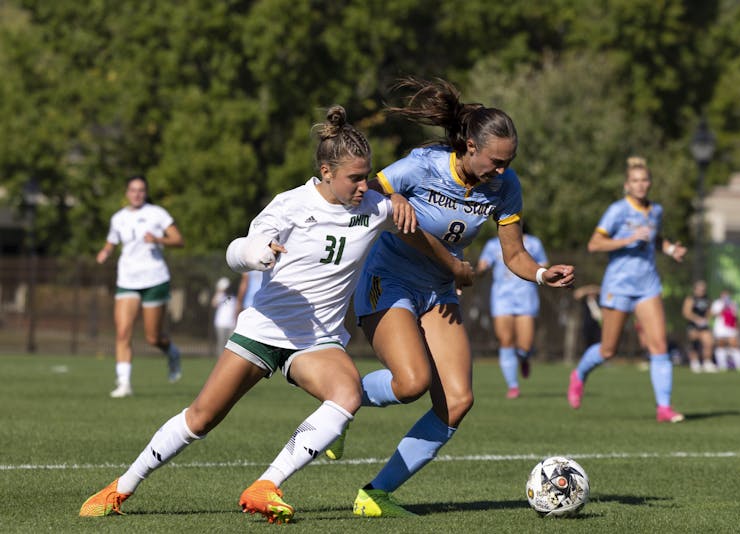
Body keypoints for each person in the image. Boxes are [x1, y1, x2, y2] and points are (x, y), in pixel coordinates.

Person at [79, 106, 461, 523]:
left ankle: (266, 485)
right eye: (354, 177)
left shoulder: (375, 206)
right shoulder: (290, 205)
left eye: (367, 175)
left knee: (347, 394)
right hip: (264, 331)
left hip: (316, 342)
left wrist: (452, 266)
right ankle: (122, 486)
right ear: (326, 171)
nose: (363, 185)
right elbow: (236, 249)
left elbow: (414, 230)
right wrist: (254, 253)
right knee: (201, 418)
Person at [326, 77, 574, 518]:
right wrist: (450, 261)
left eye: (509, 162)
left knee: (457, 401)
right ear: (468, 146)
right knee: (411, 383)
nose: (502, 171)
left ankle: (375, 494)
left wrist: (539, 273)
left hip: (439, 292)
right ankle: (342, 397)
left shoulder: (505, 185)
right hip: (389, 280)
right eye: (496, 161)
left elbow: (513, 253)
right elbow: (368, 198)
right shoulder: (422, 165)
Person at [566, 156, 687, 423]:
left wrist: (670, 249)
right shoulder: (618, 210)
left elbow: (656, 239)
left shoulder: (655, 210)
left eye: (645, 180)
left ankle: (664, 407)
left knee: (659, 346)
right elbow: (594, 244)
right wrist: (628, 239)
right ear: (626, 185)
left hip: (648, 285)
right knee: (608, 350)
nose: (641, 185)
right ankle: (579, 374)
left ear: (650, 183)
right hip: (619, 285)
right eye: (635, 181)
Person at [96, 175, 184, 398]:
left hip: (154, 279)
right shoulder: (118, 218)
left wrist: (158, 240)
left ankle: (172, 351)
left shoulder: (157, 214)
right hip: (127, 280)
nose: (136, 194)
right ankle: (124, 383)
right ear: (126, 193)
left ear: (145, 192)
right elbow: (112, 241)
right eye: (133, 190)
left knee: (153, 337)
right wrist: (105, 252)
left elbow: (178, 240)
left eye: (141, 190)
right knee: (123, 331)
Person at [476, 223, 548, 398]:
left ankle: (524, 358)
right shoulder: (493, 245)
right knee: (506, 340)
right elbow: (482, 264)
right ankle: (513, 386)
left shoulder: (533, 243)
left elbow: (544, 263)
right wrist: (480, 268)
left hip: (526, 296)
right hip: (502, 298)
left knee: (525, 344)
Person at [682, 280, 717, 373]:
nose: (702, 290)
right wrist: (696, 319)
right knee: (694, 343)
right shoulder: (691, 299)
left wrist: (707, 318)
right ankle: (695, 362)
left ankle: (707, 362)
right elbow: (686, 312)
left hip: (704, 325)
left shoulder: (707, 299)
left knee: (708, 342)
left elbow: (709, 311)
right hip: (693, 325)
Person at [709, 289, 740, 371]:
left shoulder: (733, 303)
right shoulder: (717, 303)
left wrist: (738, 326)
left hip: (731, 327)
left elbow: (736, 317)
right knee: (721, 345)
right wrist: (723, 308)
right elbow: (712, 314)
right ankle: (722, 366)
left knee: (734, 345)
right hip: (720, 327)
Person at [211, 277, 237, 357]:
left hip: (231, 324)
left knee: (231, 345)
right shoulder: (220, 296)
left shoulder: (234, 297)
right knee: (221, 343)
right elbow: (213, 304)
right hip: (220, 323)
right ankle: (220, 360)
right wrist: (218, 291)